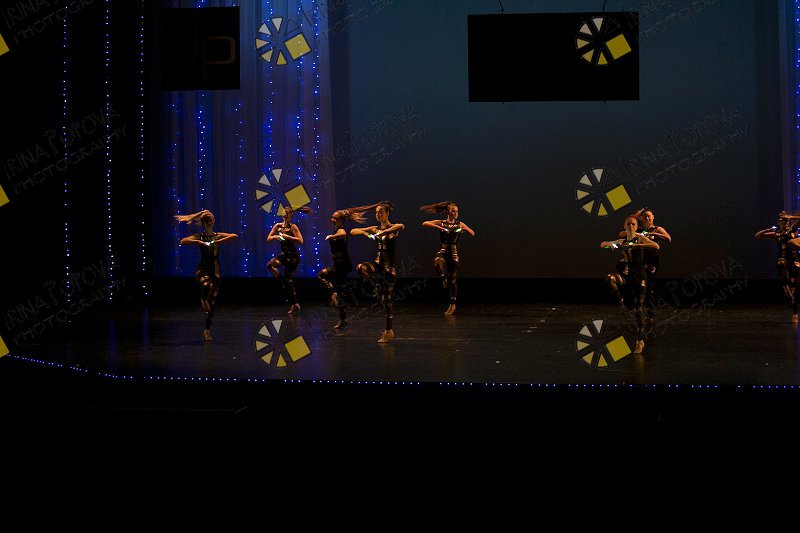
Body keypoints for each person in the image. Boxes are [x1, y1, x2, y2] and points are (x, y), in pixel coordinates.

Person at [175, 209, 238, 341]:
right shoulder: (200, 236)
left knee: (211, 306)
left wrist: (219, 241)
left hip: (215, 271)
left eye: (211, 220)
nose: (210, 222)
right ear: (203, 223)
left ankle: (207, 330)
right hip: (202, 269)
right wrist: (197, 242)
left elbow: (234, 236)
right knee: (205, 285)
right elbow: (182, 241)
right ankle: (202, 298)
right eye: (207, 221)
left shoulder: (217, 235)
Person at [601, 215, 660, 354]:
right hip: (627, 276)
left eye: (633, 224)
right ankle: (622, 301)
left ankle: (640, 340)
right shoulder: (622, 241)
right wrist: (609, 244)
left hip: (639, 276)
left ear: (636, 227)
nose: (631, 226)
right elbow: (603, 244)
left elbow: (655, 246)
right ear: (624, 226)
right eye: (628, 224)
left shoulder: (640, 238)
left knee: (639, 309)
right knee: (610, 279)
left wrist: (638, 245)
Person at [351, 201, 404, 343]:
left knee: (386, 301)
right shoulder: (375, 229)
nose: (378, 214)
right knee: (361, 268)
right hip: (377, 265)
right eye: (376, 212)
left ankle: (389, 331)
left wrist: (384, 232)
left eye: (381, 212)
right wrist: (365, 233)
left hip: (390, 269)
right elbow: (353, 231)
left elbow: (401, 226)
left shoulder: (393, 228)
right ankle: (376, 286)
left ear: (387, 213)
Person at [317, 204, 377, 330]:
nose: (332, 219)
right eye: (332, 217)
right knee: (337, 289)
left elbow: (343, 234)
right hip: (339, 264)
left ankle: (336, 297)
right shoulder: (336, 230)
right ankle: (342, 315)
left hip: (343, 265)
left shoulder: (341, 230)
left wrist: (331, 237)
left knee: (323, 277)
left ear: (341, 220)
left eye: (335, 218)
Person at [420, 201, 476, 315]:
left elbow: (472, 233)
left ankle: (452, 304)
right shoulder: (442, 223)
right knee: (437, 263)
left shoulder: (459, 224)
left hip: (454, 252)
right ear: (447, 212)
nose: (455, 213)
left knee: (453, 279)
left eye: (457, 211)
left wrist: (464, 230)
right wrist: (438, 227)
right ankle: (443, 278)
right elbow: (425, 223)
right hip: (443, 250)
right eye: (453, 211)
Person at [618, 208, 671, 326]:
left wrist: (653, 234)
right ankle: (637, 309)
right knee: (639, 286)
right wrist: (635, 217)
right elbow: (622, 233)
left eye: (649, 216)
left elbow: (668, 238)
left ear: (653, 217)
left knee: (649, 287)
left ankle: (650, 315)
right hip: (641, 261)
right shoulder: (640, 230)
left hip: (652, 261)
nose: (647, 218)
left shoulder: (657, 228)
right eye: (645, 216)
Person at [755, 211, 800, 322]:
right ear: (779, 222)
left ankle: (795, 313)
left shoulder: (792, 229)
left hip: (794, 260)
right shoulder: (776, 234)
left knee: (795, 290)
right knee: (780, 263)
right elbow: (758, 235)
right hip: (783, 258)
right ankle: (785, 286)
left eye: (785, 221)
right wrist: (769, 229)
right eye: (782, 221)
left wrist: (791, 216)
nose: (784, 223)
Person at [267, 206, 312, 314]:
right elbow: (268, 238)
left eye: (286, 214)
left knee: (288, 280)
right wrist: (275, 237)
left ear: (291, 215)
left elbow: (300, 240)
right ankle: (283, 283)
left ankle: (295, 304)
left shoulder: (293, 227)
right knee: (270, 265)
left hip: (293, 257)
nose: (284, 215)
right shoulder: (277, 226)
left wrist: (287, 237)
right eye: (283, 213)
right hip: (284, 255)